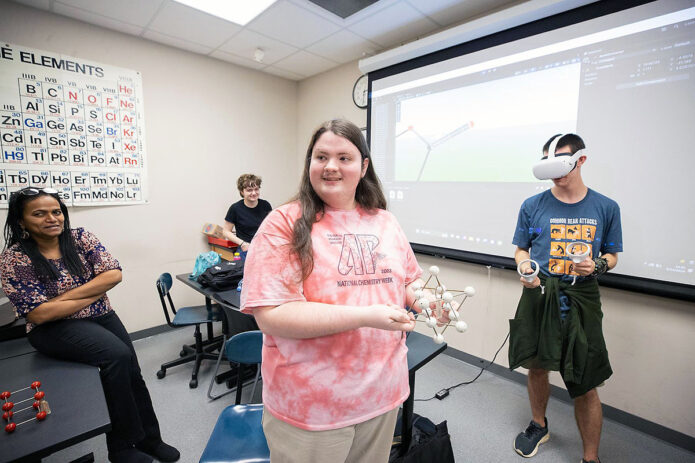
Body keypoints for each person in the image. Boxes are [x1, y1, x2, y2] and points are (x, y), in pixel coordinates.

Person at [240, 119, 432, 463]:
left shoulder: (384, 221)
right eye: (321, 157)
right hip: (313, 408)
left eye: (344, 158)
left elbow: (406, 282)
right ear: (309, 164)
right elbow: (272, 315)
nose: (331, 166)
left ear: (364, 166)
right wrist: (367, 317)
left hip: (382, 394)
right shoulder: (283, 223)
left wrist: (429, 303)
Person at [0, 187, 179, 463]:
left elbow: (114, 275)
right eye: (39, 214)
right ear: (22, 221)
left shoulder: (80, 237)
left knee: (132, 371)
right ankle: (122, 447)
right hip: (53, 329)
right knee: (116, 358)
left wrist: (60, 299)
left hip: (102, 315)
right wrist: (91, 290)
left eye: (56, 211)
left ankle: (150, 439)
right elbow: (38, 315)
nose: (52, 218)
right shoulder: (15, 258)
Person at [508, 134, 622, 463]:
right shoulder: (532, 206)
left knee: (585, 380)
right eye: (549, 162)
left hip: (582, 296)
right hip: (540, 292)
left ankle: (590, 457)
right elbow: (521, 249)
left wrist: (597, 264)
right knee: (537, 364)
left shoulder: (605, 207)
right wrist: (524, 266)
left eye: (562, 160)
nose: (556, 169)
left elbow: (613, 256)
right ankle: (538, 424)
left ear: (581, 160)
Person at [223, 174, 272, 252]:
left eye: (256, 189)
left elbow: (271, 227)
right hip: (246, 248)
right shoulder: (235, 208)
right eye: (249, 190)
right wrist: (242, 243)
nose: (254, 193)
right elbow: (226, 231)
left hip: (264, 247)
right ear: (242, 192)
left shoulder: (266, 205)